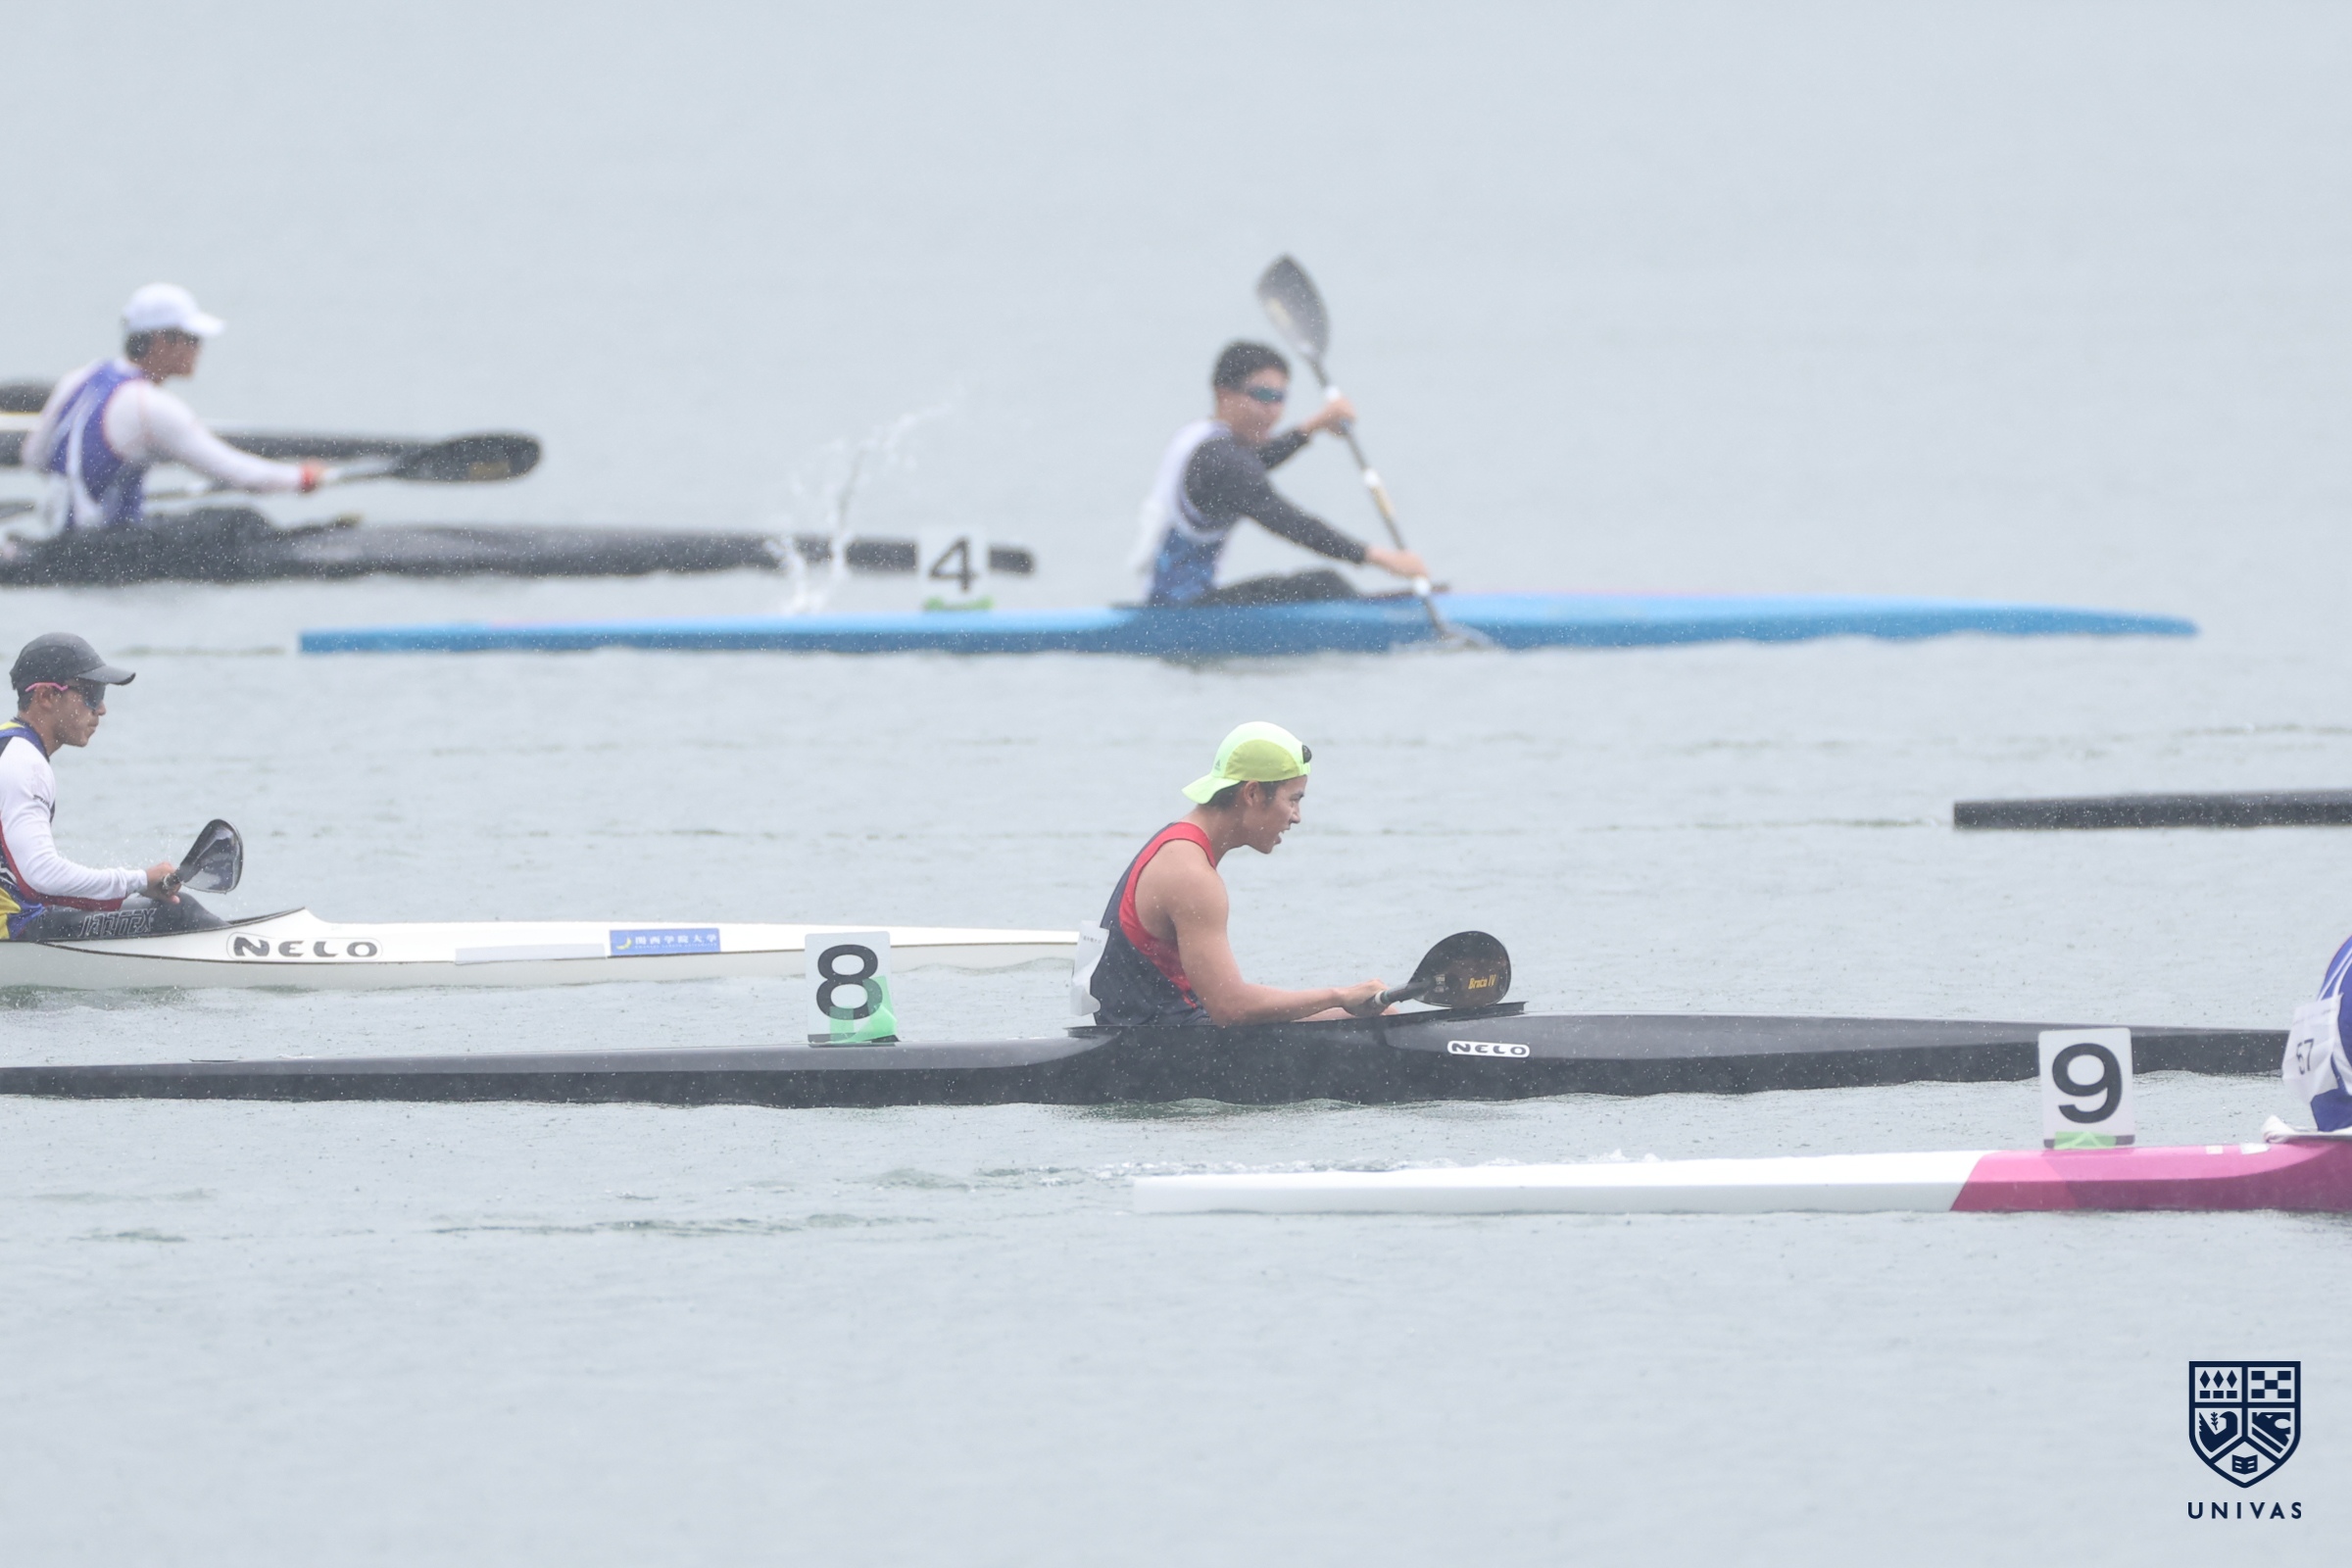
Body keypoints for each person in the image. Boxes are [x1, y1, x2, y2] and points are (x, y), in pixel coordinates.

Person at [1076, 721, 1391, 1027]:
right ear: (1252, 794)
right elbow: (1230, 1008)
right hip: (1162, 1048)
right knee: (1383, 1020)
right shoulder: (1191, 875)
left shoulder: (1177, 847)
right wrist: (1338, 996)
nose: (1297, 817)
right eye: (1293, 799)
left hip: (1154, 1034)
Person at [1131, 340, 1426, 607]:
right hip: (1185, 612)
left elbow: (1255, 463)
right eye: (1262, 395)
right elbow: (1291, 523)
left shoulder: (1200, 438)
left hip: (1172, 604)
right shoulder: (1225, 462)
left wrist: (1312, 427)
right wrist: (1379, 557)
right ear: (1224, 395)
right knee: (1323, 585)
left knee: (1315, 587)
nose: (1273, 411)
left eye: (1280, 397)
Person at [21, 284, 323, 534]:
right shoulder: (150, 407)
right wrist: (302, 478)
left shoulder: (81, 376)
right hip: (108, 549)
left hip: (63, 537)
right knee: (239, 522)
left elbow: (33, 457)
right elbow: (242, 476)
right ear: (161, 341)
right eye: (192, 339)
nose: (199, 348)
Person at [0, 633, 217, 941]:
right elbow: (39, 877)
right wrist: (139, 880)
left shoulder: (9, 747)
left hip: (17, 918)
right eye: (91, 693)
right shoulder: (24, 764)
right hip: (13, 929)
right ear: (46, 696)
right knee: (178, 912)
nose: (101, 709)